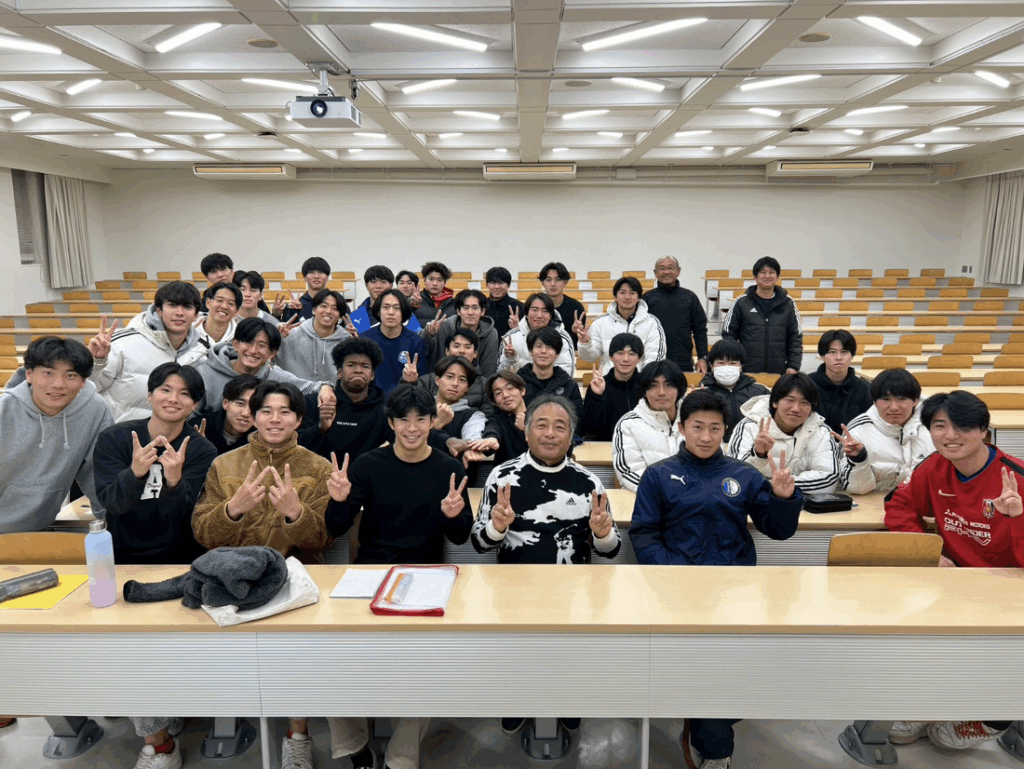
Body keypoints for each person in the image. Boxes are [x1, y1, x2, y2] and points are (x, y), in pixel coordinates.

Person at [630, 388, 802, 769]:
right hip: (677, 591)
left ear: (725, 430)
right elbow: (643, 534)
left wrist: (783, 499)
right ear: (681, 428)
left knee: (734, 667)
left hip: (735, 591)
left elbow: (778, 530)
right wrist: (675, 575)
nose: (706, 437)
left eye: (714, 428)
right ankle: (716, 747)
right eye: (697, 427)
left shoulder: (743, 474)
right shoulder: (658, 475)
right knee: (705, 667)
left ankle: (704, 719)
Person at [323, 384, 471, 769]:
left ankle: (401, 757)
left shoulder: (449, 468)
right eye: (403, 419)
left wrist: (453, 515)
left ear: (432, 422)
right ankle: (354, 746)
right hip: (371, 574)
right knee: (332, 663)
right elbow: (336, 528)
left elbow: (461, 536)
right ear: (390, 423)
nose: (412, 427)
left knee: (425, 672)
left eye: (421, 419)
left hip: (426, 577)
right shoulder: (368, 465)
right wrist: (338, 502)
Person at [191, 380, 334, 769]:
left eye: (285, 412)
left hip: (296, 584)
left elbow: (322, 539)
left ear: (299, 420)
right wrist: (232, 510)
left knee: (296, 665)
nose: (275, 419)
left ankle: (297, 734)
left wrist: (295, 513)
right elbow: (203, 533)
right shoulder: (224, 464)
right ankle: (229, 720)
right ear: (252, 417)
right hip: (233, 583)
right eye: (266, 411)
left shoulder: (318, 467)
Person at [884, 390, 1021, 751]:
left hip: (1011, 587)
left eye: (963, 426)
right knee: (920, 636)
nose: (950, 435)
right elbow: (899, 506)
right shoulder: (935, 466)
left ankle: (993, 718)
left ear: (984, 431)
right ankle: (931, 702)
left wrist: (1017, 519)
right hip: (955, 581)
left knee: (1000, 654)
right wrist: (927, 551)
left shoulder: (1016, 479)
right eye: (940, 426)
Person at [93, 362, 216, 565]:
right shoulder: (115, 438)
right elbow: (113, 504)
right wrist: (134, 474)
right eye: (165, 390)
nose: (173, 399)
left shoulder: (202, 450)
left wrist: (174, 483)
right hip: (122, 554)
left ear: (194, 404)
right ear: (150, 395)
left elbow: (186, 517)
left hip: (180, 556)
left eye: (184, 394)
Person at [473, 394, 619, 563]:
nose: (550, 434)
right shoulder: (502, 477)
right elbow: (479, 544)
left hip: (573, 577)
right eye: (541, 425)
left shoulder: (589, 483)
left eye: (560, 427)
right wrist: (496, 528)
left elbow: (611, 551)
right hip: (516, 578)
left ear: (571, 437)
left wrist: (603, 536)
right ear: (526, 433)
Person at [0, 336, 112, 533]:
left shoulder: (95, 410)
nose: (58, 384)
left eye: (70, 375)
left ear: (83, 381)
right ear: (29, 374)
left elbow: (98, 474)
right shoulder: (4, 410)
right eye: (48, 373)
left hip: (37, 528)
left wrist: (114, 520)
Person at [87, 281, 209, 423]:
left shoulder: (200, 351)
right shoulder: (122, 343)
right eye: (172, 305)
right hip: (119, 432)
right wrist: (96, 362)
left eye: (187, 307)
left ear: (196, 315)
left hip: (169, 433)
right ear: (159, 310)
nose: (179, 313)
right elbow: (89, 387)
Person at [727, 372, 843, 494]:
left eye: (804, 403)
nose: (796, 409)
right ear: (775, 402)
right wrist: (758, 455)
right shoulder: (750, 426)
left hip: (802, 502)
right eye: (789, 400)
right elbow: (735, 475)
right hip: (755, 501)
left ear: (811, 409)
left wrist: (780, 486)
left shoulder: (821, 432)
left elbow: (828, 478)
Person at [195, 317, 334, 410]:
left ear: (272, 353)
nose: (253, 351)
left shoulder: (274, 376)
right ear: (236, 344)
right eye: (248, 342)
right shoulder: (204, 374)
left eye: (262, 345)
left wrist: (326, 388)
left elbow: (311, 388)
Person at [842, 368, 934, 495]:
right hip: (876, 502)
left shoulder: (934, 426)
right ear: (874, 402)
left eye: (902, 399)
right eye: (886, 399)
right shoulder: (857, 430)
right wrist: (858, 459)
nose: (894, 407)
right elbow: (857, 488)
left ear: (915, 401)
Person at [612, 360, 685, 492]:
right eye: (653, 386)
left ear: (679, 389)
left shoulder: (694, 420)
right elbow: (629, 472)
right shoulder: (629, 424)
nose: (661, 392)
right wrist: (666, 494)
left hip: (693, 498)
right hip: (647, 498)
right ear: (645, 392)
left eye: (668, 385)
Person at [722, 256, 802, 374]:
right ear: (755, 277)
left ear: (777, 276)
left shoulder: (788, 303)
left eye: (771, 272)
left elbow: (795, 338)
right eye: (763, 272)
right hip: (747, 370)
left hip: (779, 370)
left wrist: (793, 366)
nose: (767, 276)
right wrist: (733, 364)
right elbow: (729, 336)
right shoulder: (741, 302)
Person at [576, 276, 666, 372]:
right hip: (608, 379)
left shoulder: (652, 323)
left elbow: (655, 358)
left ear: (638, 298)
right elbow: (589, 357)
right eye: (622, 293)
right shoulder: (600, 323)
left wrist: (643, 379)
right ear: (615, 296)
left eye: (632, 293)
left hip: (640, 379)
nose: (627, 297)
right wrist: (585, 343)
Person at [643, 255, 709, 373]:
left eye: (671, 268)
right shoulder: (646, 299)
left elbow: (700, 330)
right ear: (655, 273)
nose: (666, 272)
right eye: (662, 268)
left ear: (678, 271)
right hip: (653, 361)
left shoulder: (690, 297)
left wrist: (702, 357)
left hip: (683, 361)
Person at [697, 339, 769, 441]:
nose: (727, 367)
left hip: (749, 445)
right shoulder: (702, 393)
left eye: (733, 363)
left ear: (741, 366)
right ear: (711, 366)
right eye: (721, 363)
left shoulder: (759, 392)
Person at [275, 288, 351, 382]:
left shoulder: (347, 342)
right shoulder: (291, 335)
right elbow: (270, 361)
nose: (328, 311)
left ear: (340, 316)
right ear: (314, 310)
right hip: (295, 390)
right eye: (323, 306)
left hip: (332, 391)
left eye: (335, 308)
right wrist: (277, 336)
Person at [363, 289, 430, 395]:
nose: (391, 312)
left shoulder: (416, 342)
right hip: (371, 400)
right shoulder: (365, 340)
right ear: (378, 311)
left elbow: (422, 380)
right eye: (386, 307)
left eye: (397, 308)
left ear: (403, 312)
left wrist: (413, 380)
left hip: (403, 399)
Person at [516, 326, 584, 427]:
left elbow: (578, 423)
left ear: (557, 354)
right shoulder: (517, 383)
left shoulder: (569, 385)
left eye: (549, 347)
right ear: (531, 351)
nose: (543, 351)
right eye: (539, 346)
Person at [423, 288, 500, 376]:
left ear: (482, 311)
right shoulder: (444, 327)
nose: (470, 313)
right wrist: (428, 334)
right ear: (458, 311)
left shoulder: (490, 333)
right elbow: (428, 355)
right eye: (465, 308)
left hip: (475, 380)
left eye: (475, 308)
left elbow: (488, 368)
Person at [808, 329, 872, 434]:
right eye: (832, 352)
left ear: (852, 356)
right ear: (822, 356)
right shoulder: (807, 385)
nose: (838, 357)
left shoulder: (865, 389)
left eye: (844, 352)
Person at [581, 332, 643, 440]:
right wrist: (597, 397)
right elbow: (590, 428)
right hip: (607, 446)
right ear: (611, 357)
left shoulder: (647, 386)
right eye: (620, 353)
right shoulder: (599, 385)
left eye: (632, 354)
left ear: (639, 359)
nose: (625, 359)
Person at [498, 292, 575, 377]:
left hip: (551, 385)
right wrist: (510, 360)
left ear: (550, 315)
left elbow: (565, 374)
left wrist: (519, 362)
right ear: (526, 313)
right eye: (534, 310)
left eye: (545, 311)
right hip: (519, 385)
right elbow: (501, 375)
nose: (539, 315)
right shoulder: (511, 338)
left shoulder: (562, 338)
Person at [429, 355, 486, 463]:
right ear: (437, 380)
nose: (455, 384)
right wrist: (437, 424)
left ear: (467, 388)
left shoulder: (472, 415)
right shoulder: (420, 406)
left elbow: (473, 438)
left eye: (462, 380)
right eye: (449, 377)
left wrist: (471, 448)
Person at [467, 371, 529, 466]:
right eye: (498, 393)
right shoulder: (497, 419)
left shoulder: (539, 414)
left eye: (510, 388)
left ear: (522, 390)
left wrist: (527, 429)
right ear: (494, 401)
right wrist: (492, 439)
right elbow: (492, 429)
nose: (505, 395)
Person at [414, 327, 488, 408]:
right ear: (447, 351)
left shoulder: (484, 386)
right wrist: (409, 382)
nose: (462, 351)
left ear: (475, 354)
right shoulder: (426, 382)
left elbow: (489, 412)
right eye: (456, 346)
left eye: (467, 347)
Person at [188, 373, 260, 456]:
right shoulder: (197, 427)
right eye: (240, 404)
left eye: (254, 406)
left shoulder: (262, 438)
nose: (246, 413)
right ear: (225, 403)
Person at [539, 261, 586, 348]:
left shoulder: (576, 308)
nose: (553, 284)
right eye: (548, 280)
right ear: (543, 283)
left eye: (558, 280)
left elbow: (581, 345)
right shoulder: (535, 307)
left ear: (565, 282)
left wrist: (574, 333)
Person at [281, 256, 332, 322]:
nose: (316, 276)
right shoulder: (294, 306)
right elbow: (284, 327)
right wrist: (289, 312)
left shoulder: (337, 303)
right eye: (311, 272)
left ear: (327, 276)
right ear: (304, 277)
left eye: (321, 272)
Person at [194, 281, 241, 349]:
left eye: (231, 303)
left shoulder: (241, 339)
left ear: (236, 311)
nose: (224, 306)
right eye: (220, 300)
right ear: (208, 302)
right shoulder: (188, 334)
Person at [414, 261, 456, 326]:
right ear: (424, 281)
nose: (435, 283)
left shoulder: (453, 303)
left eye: (439, 280)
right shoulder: (415, 301)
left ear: (445, 283)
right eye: (431, 279)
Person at [485, 266, 523, 334]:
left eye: (501, 283)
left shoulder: (519, 307)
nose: (497, 287)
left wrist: (516, 328)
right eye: (493, 283)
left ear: (508, 285)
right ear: (487, 285)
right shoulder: (482, 306)